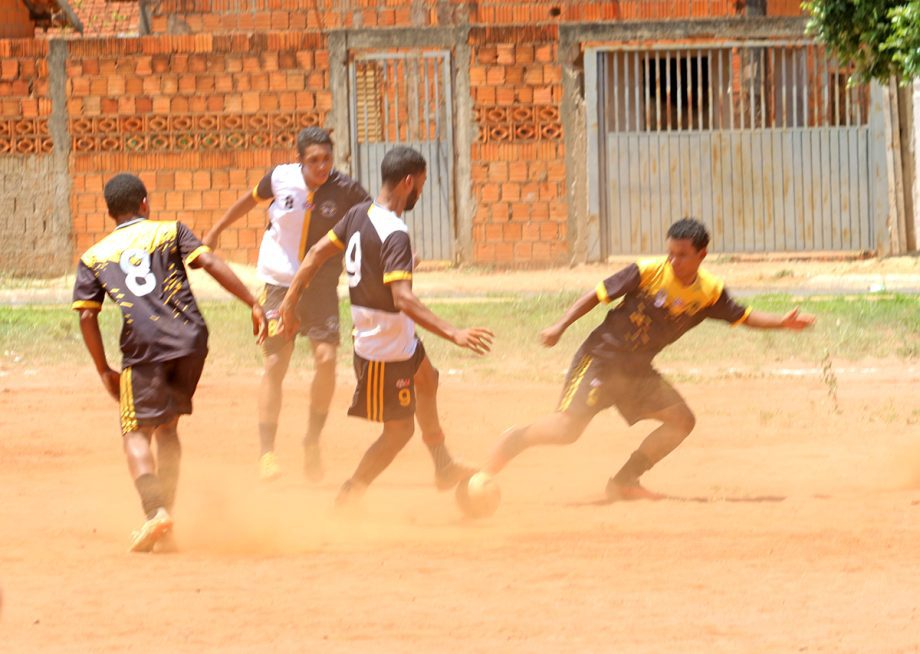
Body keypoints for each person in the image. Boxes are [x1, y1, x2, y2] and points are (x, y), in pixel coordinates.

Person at [485, 218, 816, 500]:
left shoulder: (709, 292)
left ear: (702, 254)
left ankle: (625, 482)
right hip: (601, 358)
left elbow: (742, 315)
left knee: (682, 421)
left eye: (683, 255)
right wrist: (560, 325)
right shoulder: (646, 272)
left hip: (636, 372)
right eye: (670, 253)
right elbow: (596, 295)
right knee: (566, 430)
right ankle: (515, 440)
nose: (674, 261)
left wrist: (782, 322)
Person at [278, 146, 494, 504]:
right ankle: (350, 493)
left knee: (428, 379)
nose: (420, 192)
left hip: (398, 339)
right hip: (383, 349)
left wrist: (288, 303)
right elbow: (403, 299)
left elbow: (316, 253)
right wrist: (455, 332)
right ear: (409, 182)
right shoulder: (395, 232)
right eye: (421, 185)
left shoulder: (358, 214)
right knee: (398, 431)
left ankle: (443, 466)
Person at [73, 173, 266, 552]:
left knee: (136, 433)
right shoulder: (170, 231)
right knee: (168, 428)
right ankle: (167, 521)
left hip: (146, 350)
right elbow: (208, 261)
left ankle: (154, 512)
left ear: (109, 212)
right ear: (144, 203)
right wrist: (254, 302)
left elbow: (85, 316)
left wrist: (103, 369)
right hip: (191, 341)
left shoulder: (94, 256)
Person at [203, 127, 370, 482]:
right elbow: (249, 201)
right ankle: (267, 453)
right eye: (314, 160)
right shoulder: (280, 179)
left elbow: (373, 219)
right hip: (279, 287)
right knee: (276, 365)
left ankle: (312, 440)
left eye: (327, 158)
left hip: (321, 285)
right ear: (300, 160)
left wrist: (403, 249)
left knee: (326, 361)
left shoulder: (345, 189)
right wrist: (216, 230)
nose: (322, 166)